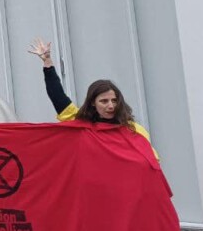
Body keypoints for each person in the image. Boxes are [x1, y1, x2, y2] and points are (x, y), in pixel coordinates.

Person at [28, 38, 156, 155]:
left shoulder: (134, 130)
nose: (110, 105)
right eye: (104, 101)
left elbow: (151, 163)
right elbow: (57, 95)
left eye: (114, 100)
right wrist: (47, 61)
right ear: (93, 102)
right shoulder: (81, 124)